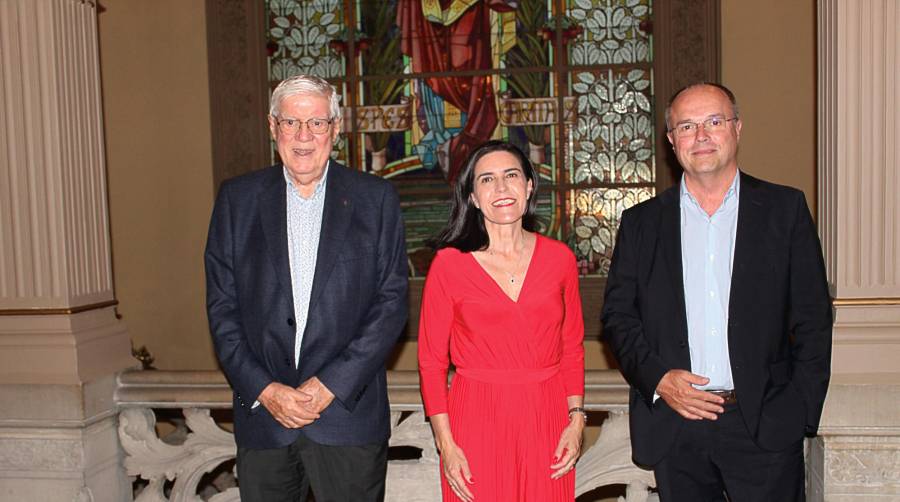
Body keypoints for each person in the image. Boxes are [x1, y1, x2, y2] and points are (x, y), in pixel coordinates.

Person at [602, 83, 832, 501]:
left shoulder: (785, 211)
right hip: (677, 424)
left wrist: (798, 411)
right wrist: (659, 380)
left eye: (714, 121)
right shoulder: (641, 224)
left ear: (737, 128)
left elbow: (814, 318)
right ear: (672, 141)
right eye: (687, 126)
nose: (702, 136)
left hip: (762, 423)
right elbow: (618, 318)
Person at [205, 74, 408, 502]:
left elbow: (391, 305)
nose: (303, 136)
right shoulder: (236, 201)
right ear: (272, 126)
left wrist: (328, 385)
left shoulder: (376, 199)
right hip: (265, 421)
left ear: (335, 129)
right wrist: (265, 388)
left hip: (346, 418)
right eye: (291, 122)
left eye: (316, 123)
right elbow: (222, 310)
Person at [418, 140, 586, 501]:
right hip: (475, 418)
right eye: (487, 180)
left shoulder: (560, 259)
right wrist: (445, 443)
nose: (501, 188)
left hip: (547, 416)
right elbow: (431, 362)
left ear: (528, 186)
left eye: (511, 176)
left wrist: (576, 419)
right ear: (474, 197)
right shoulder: (449, 265)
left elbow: (572, 347)